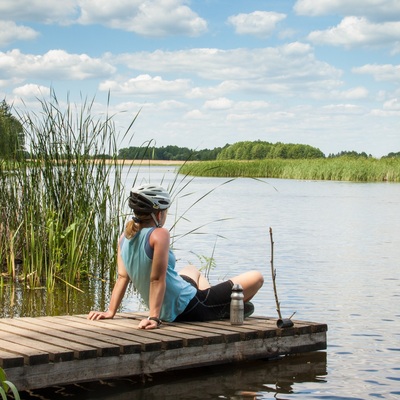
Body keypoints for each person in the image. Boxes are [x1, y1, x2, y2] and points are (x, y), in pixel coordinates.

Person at [88, 184, 264, 329]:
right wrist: (154, 318)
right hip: (191, 307)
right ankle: (220, 309)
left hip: (179, 300)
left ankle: (215, 303)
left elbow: (122, 277)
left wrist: (110, 311)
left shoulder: (124, 238)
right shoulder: (159, 234)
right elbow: (156, 279)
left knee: (191, 269)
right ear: (159, 214)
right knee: (257, 278)